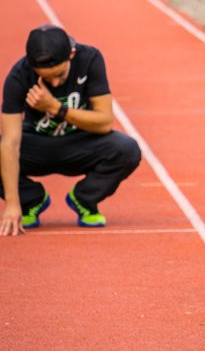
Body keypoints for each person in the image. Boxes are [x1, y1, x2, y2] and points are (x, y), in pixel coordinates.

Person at [0, 25, 141, 236]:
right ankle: (31, 200)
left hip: (81, 142)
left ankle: (84, 198)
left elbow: (104, 122)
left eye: (60, 75)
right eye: (47, 78)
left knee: (127, 149)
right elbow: (10, 142)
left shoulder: (90, 59)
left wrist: (55, 108)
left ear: (71, 55)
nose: (55, 82)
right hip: (37, 144)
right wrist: (12, 203)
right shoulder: (18, 76)